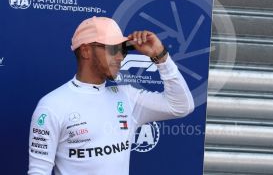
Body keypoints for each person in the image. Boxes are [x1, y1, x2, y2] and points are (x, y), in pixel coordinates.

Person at [28, 16, 195, 175]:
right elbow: (38, 171)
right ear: (86, 51)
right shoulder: (51, 106)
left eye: (123, 50)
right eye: (113, 49)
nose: (120, 56)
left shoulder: (127, 97)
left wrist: (160, 56)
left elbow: (181, 106)